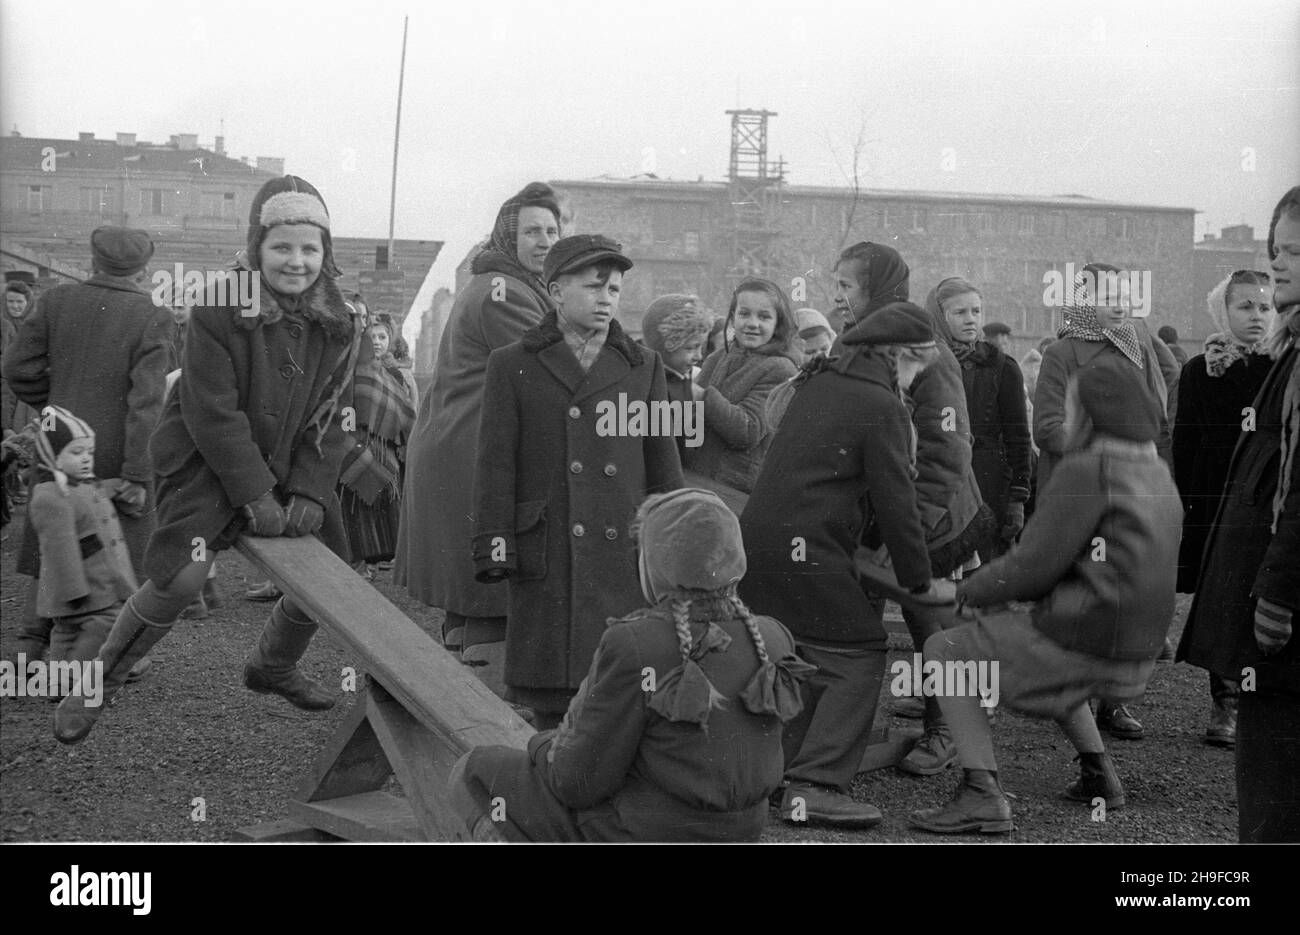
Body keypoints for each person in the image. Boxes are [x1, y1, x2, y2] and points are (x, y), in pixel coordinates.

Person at [53, 175, 366, 744]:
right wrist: (253, 493)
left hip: (291, 466)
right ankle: (99, 677)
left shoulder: (341, 322)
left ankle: (271, 664)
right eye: (281, 247)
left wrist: (309, 490)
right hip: (207, 460)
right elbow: (212, 412)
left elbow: (335, 415)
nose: (295, 261)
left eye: (309, 248)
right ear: (256, 248)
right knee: (182, 575)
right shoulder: (220, 307)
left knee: (333, 574)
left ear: (326, 252)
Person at [910, 357, 1182, 834]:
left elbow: (1032, 567)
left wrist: (958, 590)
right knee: (1024, 637)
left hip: (1087, 636)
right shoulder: (1158, 475)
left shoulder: (1090, 469)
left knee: (945, 651)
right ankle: (1099, 773)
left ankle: (981, 794)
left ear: (1091, 410)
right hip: (1134, 646)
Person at [449, 488, 812, 842]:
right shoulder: (772, 636)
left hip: (645, 832)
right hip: (741, 831)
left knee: (475, 771)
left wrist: (542, 746)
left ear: (655, 563)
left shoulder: (636, 643)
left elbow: (577, 783)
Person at [740, 302, 950, 828]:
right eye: (918, 366)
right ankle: (815, 785)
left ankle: (777, 771)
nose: (917, 377)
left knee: (801, 649)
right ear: (900, 356)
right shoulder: (881, 402)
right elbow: (896, 500)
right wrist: (919, 580)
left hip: (761, 544)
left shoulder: (820, 384)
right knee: (856, 651)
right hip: (810, 546)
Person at [472, 235, 683, 728]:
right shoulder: (511, 363)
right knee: (552, 697)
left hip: (620, 544)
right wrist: (495, 545)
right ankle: (553, 781)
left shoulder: (642, 365)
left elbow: (662, 461)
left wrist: (676, 544)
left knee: (621, 689)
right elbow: (495, 463)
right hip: (549, 544)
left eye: (614, 287)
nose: (607, 297)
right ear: (556, 291)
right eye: (594, 286)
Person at [832, 243, 993, 776]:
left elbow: (949, 449)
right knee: (858, 620)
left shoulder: (922, 347)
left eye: (847, 286)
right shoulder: (853, 343)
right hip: (878, 514)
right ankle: (845, 731)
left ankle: (947, 730)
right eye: (835, 285)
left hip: (933, 514)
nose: (837, 296)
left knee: (932, 624)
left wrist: (911, 533)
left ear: (878, 289)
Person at [395, 183, 561, 671]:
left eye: (552, 230)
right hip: (469, 452)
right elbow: (550, 370)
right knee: (489, 590)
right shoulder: (504, 292)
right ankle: (478, 714)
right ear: (509, 238)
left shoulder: (508, 284)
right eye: (532, 231)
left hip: (460, 446)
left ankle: (458, 701)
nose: (545, 240)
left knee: (469, 594)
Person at [1178, 186, 1300, 843]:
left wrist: (1278, 589)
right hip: (1230, 527)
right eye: (1277, 249)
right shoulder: (1215, 368)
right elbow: (1190, 445)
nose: (1279, 267)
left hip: (1273, 566)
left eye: (1296, 252)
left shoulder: (1285, 357)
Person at [3, 227, 174, 670]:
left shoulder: (56, 301)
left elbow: (18, 368)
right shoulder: (152, 314)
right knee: (116, 559)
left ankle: (28, 648)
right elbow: (146, 401)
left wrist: (57, 405)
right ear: (143, 269)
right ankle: (113, 659)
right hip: (118, 453)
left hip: (58, 444)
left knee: (54, 543)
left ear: (93, 261)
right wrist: (138, 473)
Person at [1033, 261, 1180, 741]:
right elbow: (1047, 427)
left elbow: (1158, 410)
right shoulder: (1061, 352)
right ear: (1080, 302)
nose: (1118, 303)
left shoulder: (1135, 346)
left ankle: (1112, 705)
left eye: (1123, 295)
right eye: (1106, 295)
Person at [1171, 270, 1275, 748]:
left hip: (1267, 494)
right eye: (1245, 306)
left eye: (1265, 306)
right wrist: (1185, 502)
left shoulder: (1282, 366)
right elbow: (1186, 440)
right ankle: (1226, 702)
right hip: (1215, 495)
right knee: (1223, 596)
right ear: (1223, 311)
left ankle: (1262, 702)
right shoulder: (1201, 369)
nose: (1257, 316)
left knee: (1267, 592)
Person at [26, 406, 138, 697]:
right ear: (53, 457)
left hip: (93, 583)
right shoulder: (52, 496)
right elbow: (58, 548)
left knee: (66, 633)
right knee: (106, 623)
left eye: (89, 451)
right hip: (83, 588)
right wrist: (73, 591)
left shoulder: (80, 486)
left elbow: (94, 496)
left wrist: (113, 487)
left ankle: (58, 684)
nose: (86, 458)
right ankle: (77, 679)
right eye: (76, 452)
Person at [926, 278, 1032, 559]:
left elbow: (1018, 437)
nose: (970, 320)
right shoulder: (925, 363)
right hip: (938, 483)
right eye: (959, 313)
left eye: (976, 311)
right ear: (939, 315)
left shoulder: (1001, 366)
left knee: (984, 579)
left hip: (988, 484)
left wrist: (1017, 499)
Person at [683, 278, 798, 494]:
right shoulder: (716, 358)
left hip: (733, 488)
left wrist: (701, 396)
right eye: (744, 314)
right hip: (694, 478)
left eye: (764, 316)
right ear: (733, 318)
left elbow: (748, 430)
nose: (752, 323)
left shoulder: (781, 370)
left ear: (778, 324)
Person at [338, 313, 417, 577]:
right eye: (370, 337)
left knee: (378, 507)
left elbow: (405, 409)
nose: (376, 342)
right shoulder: (350, 369)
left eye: (382, 337)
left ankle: (372, 560)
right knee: (354, 509)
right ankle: (358, 562)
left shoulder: (392, 373)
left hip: (384, 447)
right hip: (356, 444)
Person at [638, 293, 712, 463]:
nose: (699, 356)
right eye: (690, 348)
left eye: (701, 347)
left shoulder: (681, 380)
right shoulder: (661, 388)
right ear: (666, 345)